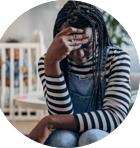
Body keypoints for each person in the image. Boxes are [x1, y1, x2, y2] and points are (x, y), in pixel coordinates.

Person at [28, 1, 131, 146]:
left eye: (86, 45)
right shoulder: (48, 62)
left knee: (92, 136)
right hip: (67, 132)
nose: (79, 54)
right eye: (72, 44)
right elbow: (62, 116)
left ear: (97, 33)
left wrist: (49, 120)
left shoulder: (116, 59)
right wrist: (52, 63)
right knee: (62, 139)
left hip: (103, 131)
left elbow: (114, 118)